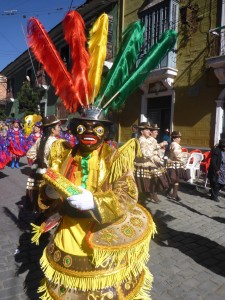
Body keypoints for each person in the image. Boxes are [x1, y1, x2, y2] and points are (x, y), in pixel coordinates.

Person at [25, 115, 61, 212]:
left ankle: (40, 214)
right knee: (51, 197)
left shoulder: (39, 140)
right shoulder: (57, 143)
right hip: (51, 173)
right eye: (58, 127)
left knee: (41, 196)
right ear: (52, 130)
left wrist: (40, 160)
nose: (60, 128)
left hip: (39, 171)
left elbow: (29, 154)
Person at [134, 122, 170, 203]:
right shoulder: (141, 140)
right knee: (143, 182)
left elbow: (154, 147)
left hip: (149, 162)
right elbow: (144, 153)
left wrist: (159, 147)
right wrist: (155, 156)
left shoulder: (147, 139)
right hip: (143, 164)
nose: (149, 132)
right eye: (147, 130)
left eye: (149, 130)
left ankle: (150, 195)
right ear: (141, 131)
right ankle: (141, 199)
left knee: (151, 180)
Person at [166, 131, 190, 201]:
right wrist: (186, 154)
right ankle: (171, 192)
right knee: (174, 179)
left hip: (176, 164)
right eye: (178, 138)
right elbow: (177, 155)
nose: (179, 139)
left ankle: (174, 194)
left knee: (176, 179)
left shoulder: (175, 144)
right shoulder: (175, 144)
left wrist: (184, 153)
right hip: (174, 164)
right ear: (174, 139)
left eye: (179, 138)